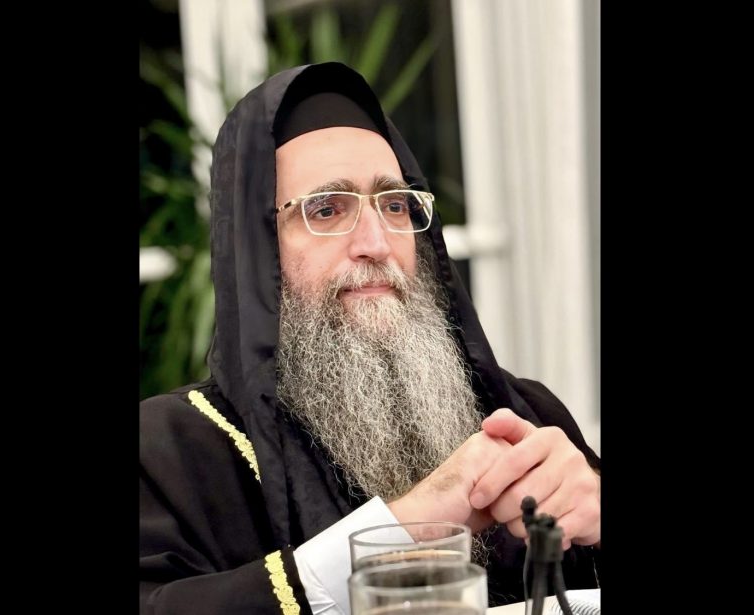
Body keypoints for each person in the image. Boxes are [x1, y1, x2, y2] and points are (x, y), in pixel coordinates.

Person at [140, 62, 600, 614]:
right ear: (256, 250)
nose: (376, 244)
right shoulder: (168, 451)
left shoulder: (526, 415)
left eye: (394, 204)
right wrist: (406, 525)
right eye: (327, 209)